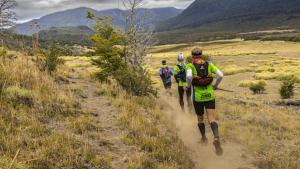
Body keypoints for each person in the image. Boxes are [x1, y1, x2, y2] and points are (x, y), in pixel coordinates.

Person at [186, 48, 224, 156]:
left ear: (192, 56)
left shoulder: (190, 66)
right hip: (210, 95)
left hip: (198, 97)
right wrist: (215, 86)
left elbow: (189, 76)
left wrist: (188, 86)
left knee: (200, 118)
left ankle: (204, 138)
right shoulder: (209, 64)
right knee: (212, 118)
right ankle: (216, 137)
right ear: (201, 55)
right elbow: (221, 75)